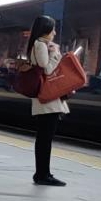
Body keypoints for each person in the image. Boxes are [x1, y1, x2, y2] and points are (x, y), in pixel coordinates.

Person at [27, 15, 69, 187]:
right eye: (52, 29)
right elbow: (47, 69)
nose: (54, 32)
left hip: (45, 100)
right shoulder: (40, 45)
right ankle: (43, 174)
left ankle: (43, 173)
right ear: (45, 30)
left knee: (44, 138)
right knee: (45, 139)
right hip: (47, 100)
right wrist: (56, 54)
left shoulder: (37, 44)